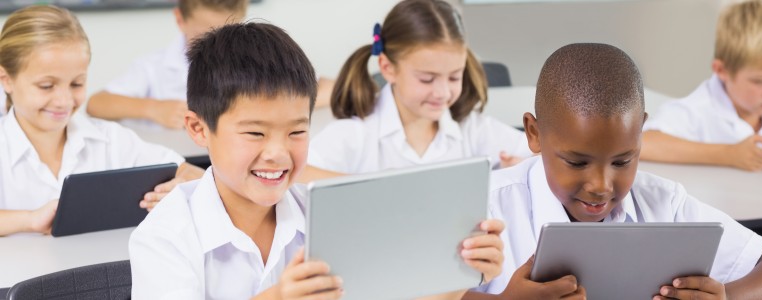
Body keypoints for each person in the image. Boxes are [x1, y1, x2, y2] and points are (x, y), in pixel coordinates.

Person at [129, 21, 505, 299]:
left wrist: (458, 274)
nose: (277, 153)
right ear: (198, 129)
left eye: (296, 132)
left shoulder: (329, 215)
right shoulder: (166, 235)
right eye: (255, 133)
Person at [483, 43, 762, 299]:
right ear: (534, 134)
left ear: (639, 133)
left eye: (622, 162)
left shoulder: (665, 204)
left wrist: (730, 296)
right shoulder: (488, 207)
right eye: (577, 162)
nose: (601, 185)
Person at [0, 5, 203, 236]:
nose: (64, 100)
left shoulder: (111, 140)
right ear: (6, 80)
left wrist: (181, 187)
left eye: (76, 84)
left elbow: (194, 174)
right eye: (46, 86)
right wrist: (29, 220)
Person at [301, 0, 531, 182]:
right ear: (387, 68)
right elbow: (296, 174)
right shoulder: (356, 134)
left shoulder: (473, 129)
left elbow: (541, 154)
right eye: (427, 79)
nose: (442, 92)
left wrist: (515, 170)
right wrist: (375, 188)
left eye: (454, 77)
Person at [86, 0, 336, 130]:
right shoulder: (154, 67)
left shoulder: (255, 61)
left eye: (227, 31)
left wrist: (301, 102)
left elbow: (330, 87)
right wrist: (154, 109)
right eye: (206, 33)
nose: (217, 43)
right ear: (180, 19)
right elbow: (96, 104)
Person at [641, 0, 762, 171]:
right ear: (722, 70)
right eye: (760, 81)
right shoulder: (696, 111)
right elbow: (643, 143)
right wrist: (729, 154)